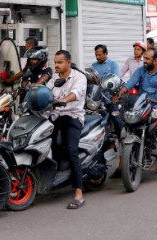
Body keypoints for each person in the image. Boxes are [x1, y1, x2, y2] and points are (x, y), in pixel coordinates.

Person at [117, 47, 157, 165]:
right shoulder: (141, 70)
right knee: (125, 127)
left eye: (147, 59)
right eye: (144, 58)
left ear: (155, 60)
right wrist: (121, 92)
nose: (144, 61)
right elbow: (130, 82)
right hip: (143, 105)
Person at [47, 50, 87, 209]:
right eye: (55, 62)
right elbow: (46, 92)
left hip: (72, 116)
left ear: (68, 63)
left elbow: (76, 93)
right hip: (55, 116)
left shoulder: (79, 77)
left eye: (60, 62)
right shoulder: (54, 79)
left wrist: (63, 100)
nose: (56, 65)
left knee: (71, 150)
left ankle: (79, 193)